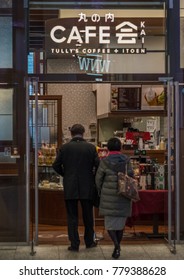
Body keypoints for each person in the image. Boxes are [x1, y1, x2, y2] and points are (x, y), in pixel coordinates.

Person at [52, 124, 99, 251]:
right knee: (88, 215)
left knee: (72, 216)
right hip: (87, 185)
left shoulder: (64, 148)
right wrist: (92, 176)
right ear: (83, 133)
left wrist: (66, 174)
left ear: (71, 134)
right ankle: (89, 242)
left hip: (70, 185)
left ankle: (74, 244)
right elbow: (98, 165)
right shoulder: (91, 148)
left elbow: (55, 165)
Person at [95, 137, 134, 259]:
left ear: (108, 148)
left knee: (110, 225)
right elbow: (131, 175)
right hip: (123, 195)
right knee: (120, 225)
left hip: (108, 197)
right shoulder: (127, 160)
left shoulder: (104, 161)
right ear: (120, 148)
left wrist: (100, 190)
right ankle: (118, 246)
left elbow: (98, 179)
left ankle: (116, 246)